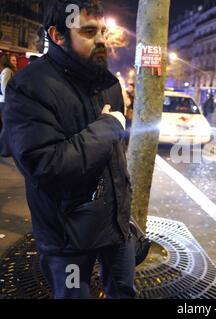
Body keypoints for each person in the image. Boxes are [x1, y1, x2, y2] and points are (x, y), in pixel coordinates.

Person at [1, 0, 136, 299]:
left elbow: (115, 158)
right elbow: (44, 165)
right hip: (67, 238)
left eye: (102, 30)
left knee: (124, 291)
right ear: (58, 35)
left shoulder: (109, 83)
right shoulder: (28, 87)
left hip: (116, 228)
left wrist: (123, 206)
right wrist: (107, 127)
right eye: (89, 31)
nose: (101, 39)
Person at [0, 54, 17, 131]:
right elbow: (4, 87)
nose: (15, 62)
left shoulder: (9, 70)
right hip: (5, 102)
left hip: (5, 101)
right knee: (6, 126)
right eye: (13, 60)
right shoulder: (7, 70)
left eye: (15, 60)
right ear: (7, 61)